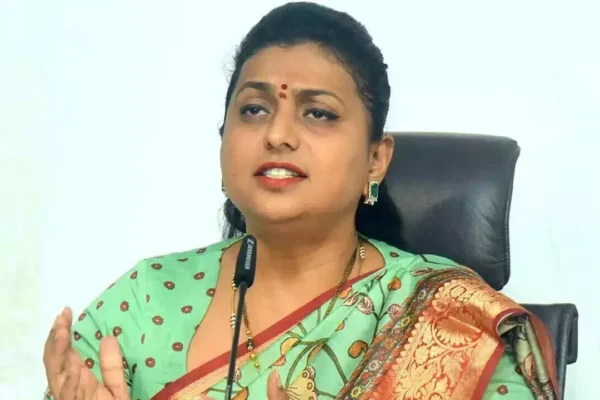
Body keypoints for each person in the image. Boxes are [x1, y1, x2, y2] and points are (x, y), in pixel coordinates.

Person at [43, 2, 559, 399]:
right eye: (253, 109)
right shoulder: (143, 301)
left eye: (319, 114)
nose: (277, 134)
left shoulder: (452, 323)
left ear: (375, 160)